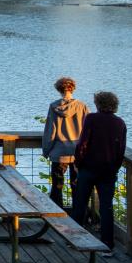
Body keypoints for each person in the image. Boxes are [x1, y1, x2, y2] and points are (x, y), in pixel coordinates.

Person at [72, 91, 127, 255]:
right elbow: (120, 150)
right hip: (108, 171)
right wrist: (115, 168)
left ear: (98, 104)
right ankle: (107, 245)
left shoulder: (92, 119)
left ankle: (75, 239)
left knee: (80, 203)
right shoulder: (120, 123)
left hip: (88, 168)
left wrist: (77, 163)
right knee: (106, 207)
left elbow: (83, 144)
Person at [42, 76, 89, 210]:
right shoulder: (82, 106)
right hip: (78, 153)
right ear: (72, 88)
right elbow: (88, 129)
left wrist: (46, 150)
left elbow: (50, 131)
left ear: (59, 89)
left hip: (59, 152)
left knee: (57, 185)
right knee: (77, 185)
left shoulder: (54, 106)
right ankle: (79, 215)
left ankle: (57, 215)